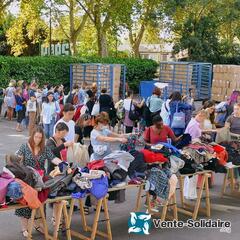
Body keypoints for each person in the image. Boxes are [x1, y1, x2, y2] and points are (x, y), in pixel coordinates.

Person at [16, 127, 63, 237]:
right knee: (26, 203)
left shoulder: (44, 148)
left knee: (41, 202)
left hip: (40, 180)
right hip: (28, 178)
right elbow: (18, 160)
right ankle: (24, 228)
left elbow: (53, 158)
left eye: (40, 137)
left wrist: (62, 163)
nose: (37, 139)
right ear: (32, 136)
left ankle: (38, 224)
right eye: (36, 137)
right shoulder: (24, 146)